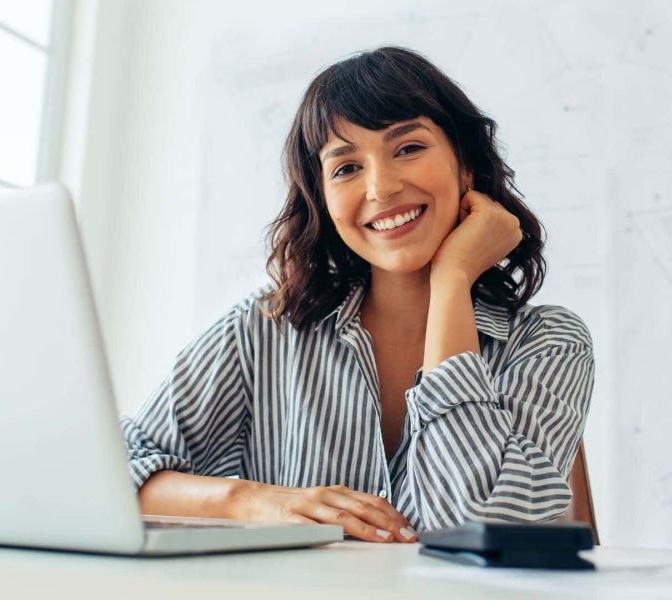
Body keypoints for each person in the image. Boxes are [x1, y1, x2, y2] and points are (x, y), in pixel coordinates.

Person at [121, 46, 594, 544]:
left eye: (408, 148)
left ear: (465, 169)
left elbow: (478, 531)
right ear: (323, 200)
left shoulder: (550, 342)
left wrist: (452, 281)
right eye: (346, 168)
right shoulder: (264, 328)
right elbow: (115, 474)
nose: (382, 187)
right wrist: (252, 500)